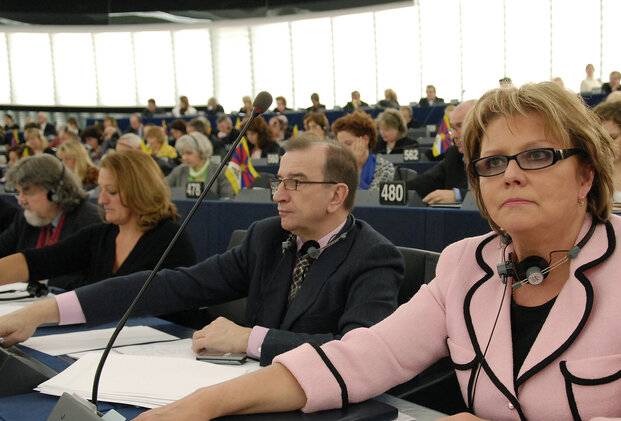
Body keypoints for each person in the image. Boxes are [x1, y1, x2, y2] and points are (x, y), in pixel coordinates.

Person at [93, 82, 621, 421]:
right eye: (490, 162)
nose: (508, 173)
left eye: (537, 155)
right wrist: (206, 400)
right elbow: (358, 358)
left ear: (585, 172)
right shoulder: (465, 265)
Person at [0, 135, 404, 368]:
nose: (278, 195)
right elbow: (167, 286)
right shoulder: (265, 237)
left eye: (295, 183)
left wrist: (250, 337)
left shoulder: (373, 256)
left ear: (336, 195)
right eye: (278, 181)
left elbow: (359, 353)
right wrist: (43, 312)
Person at [0, 150, 195, 290]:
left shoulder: (170, 239)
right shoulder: (101, 235)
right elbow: (41, 261)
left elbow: (122, 296)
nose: (102, 200)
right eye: (101, 190)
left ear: (140, 192)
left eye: (111, 191)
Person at [0, 154, 101, 289]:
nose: (20, 200)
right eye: (19, 193)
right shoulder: (26, 219)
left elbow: (92, 282)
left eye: (27, 193)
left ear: (55, 192)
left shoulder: (90, 221)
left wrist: (43, 280)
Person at [407, 101, 473, 204]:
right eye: (452, 128)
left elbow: (495, 194)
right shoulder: (454, 154)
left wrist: (458, 195)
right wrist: (396, 189)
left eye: (460, 126)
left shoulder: (497, 157)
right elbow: (425, 182)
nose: (453, 136)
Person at [331, 110, 396, 191]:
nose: (343, 149)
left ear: (365, 139)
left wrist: (356, 167)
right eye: (340, 145)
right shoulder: (336, 169)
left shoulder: (384, 168)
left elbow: (370, 199)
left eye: (348, 143)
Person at [168, 132, 236, 199]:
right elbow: (162, 188)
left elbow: (228, 199)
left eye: (189, 153)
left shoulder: (221, 171)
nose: (184, 157)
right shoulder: (179, 170)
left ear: (201, 151)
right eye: (182, 154)